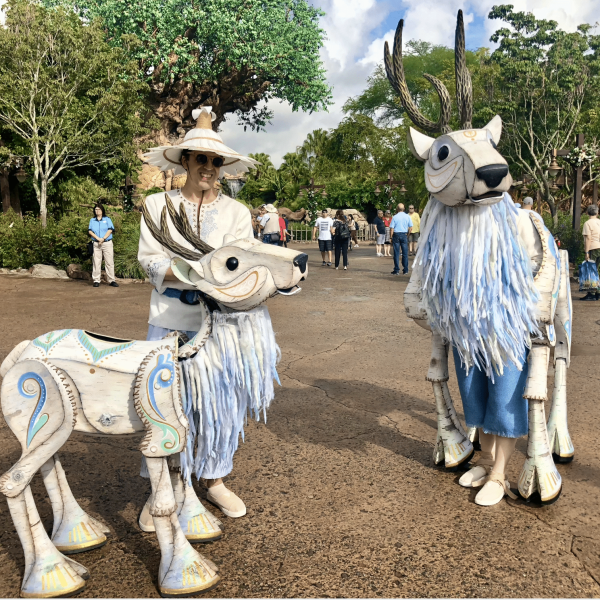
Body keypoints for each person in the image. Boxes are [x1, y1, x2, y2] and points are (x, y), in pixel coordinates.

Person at [139, 106, 259, 520]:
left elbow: (241, 264)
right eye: (200, 158)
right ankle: (167, 484)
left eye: (215, 160)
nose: (208, 166)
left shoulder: (237, 214)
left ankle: (214, 480)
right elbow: (150, 261)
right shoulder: (157, 207)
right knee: (167, 404)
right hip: (171, 323)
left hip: (223, 326)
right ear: (185, 160)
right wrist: (194, 272)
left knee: (219, 403)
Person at [88, 203, 118, 288]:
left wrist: (103, 238)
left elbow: (110, 229)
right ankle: (96, 280)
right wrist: (98, 239)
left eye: (99, 209)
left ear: (102, 210)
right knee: (97, 262)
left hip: (107, 242)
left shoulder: (107, 219)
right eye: (96, 209)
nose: (97, 211)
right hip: (96, 243)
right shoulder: (92, 220)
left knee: (109, 262)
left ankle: (111, 280)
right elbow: (90, 231)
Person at [581, 204, 600, 301]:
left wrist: (586, 252)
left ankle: (591, 293)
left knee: (591, 271)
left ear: (588, 212)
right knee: (597, 270)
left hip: (593, 248)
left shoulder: (587, 223)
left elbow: (588, 238)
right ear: (597, 212)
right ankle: (597, 292)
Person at [389, 203, 413, 275]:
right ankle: (405, 269)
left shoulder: (395, 217)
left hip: (396, 234)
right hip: (404, 234)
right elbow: (411, 228)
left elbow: (392, 228)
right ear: (404, 208)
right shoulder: (407, 216)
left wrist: (391, 237)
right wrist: (407, 235)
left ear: (397, 209)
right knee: (405, 253)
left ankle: (396, 269)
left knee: (396, 253)